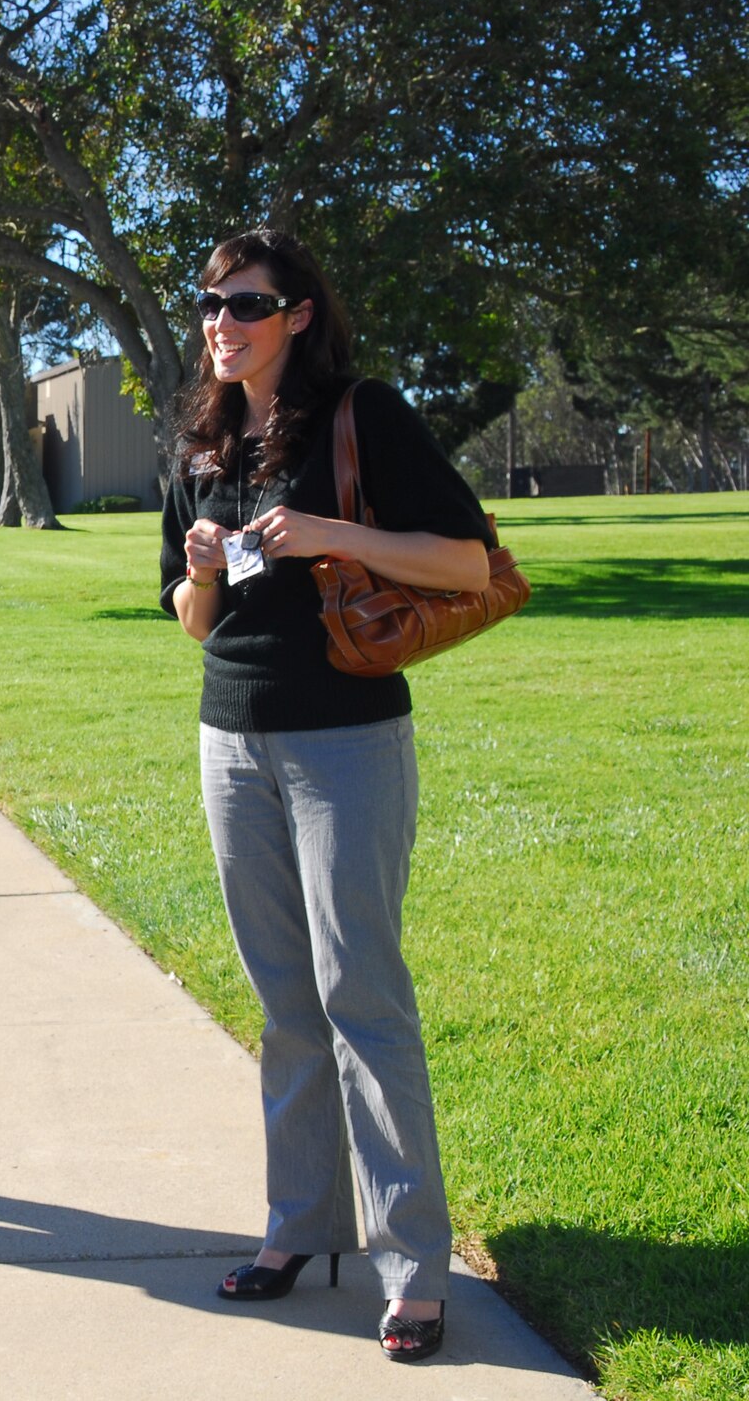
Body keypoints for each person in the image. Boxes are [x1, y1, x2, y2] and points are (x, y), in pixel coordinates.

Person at [159, 229, 494, 1363]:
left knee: (362, 991)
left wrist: (321, 534)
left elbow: (465, 562)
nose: (219, 322)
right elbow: (190, 621)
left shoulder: (363, 413)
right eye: (208, 303)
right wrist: (199, 573)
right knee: (282, 1002)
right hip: (230, 741)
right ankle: (298, 1224)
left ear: (296, 314)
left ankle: (410, 1267)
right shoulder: (200, 442)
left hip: (344, 740)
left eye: (242, 303)